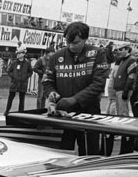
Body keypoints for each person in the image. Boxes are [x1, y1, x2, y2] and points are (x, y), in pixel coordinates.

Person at [44, 21, 108, 155]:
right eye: (68, 42)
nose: (71, 46)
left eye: (76, 42)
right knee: (59, 155)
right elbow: (47, 81)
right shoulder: (56, 56)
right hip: (62, 113)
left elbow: (98, 84)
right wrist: (52, 93)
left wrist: (75, 99)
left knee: (90, 156)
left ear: (85, 39)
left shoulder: (97, 54)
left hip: (89, 113)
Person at [4, 48, 32, 115]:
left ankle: (21, 112)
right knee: (11, 97)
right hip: (14, 82)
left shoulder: (27, 63)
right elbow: (9, 71)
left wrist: (26, 76)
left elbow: (30, 72)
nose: (18, 55)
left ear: (23, 54)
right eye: (18, 54)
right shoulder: (14, 63)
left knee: (22, 99)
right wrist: (13, 76)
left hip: (23, 83)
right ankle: (7, 111)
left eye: (20, 53)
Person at [110, 43, 133, 116]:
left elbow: (131, 76)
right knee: (119, 111)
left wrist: (126, 90)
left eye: (120, 49)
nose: (118, 51)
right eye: (118, 50)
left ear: (127, 49)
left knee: (123, 112)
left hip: (123, 89)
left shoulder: (131, 60)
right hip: (118, 89)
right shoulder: (122, 60)